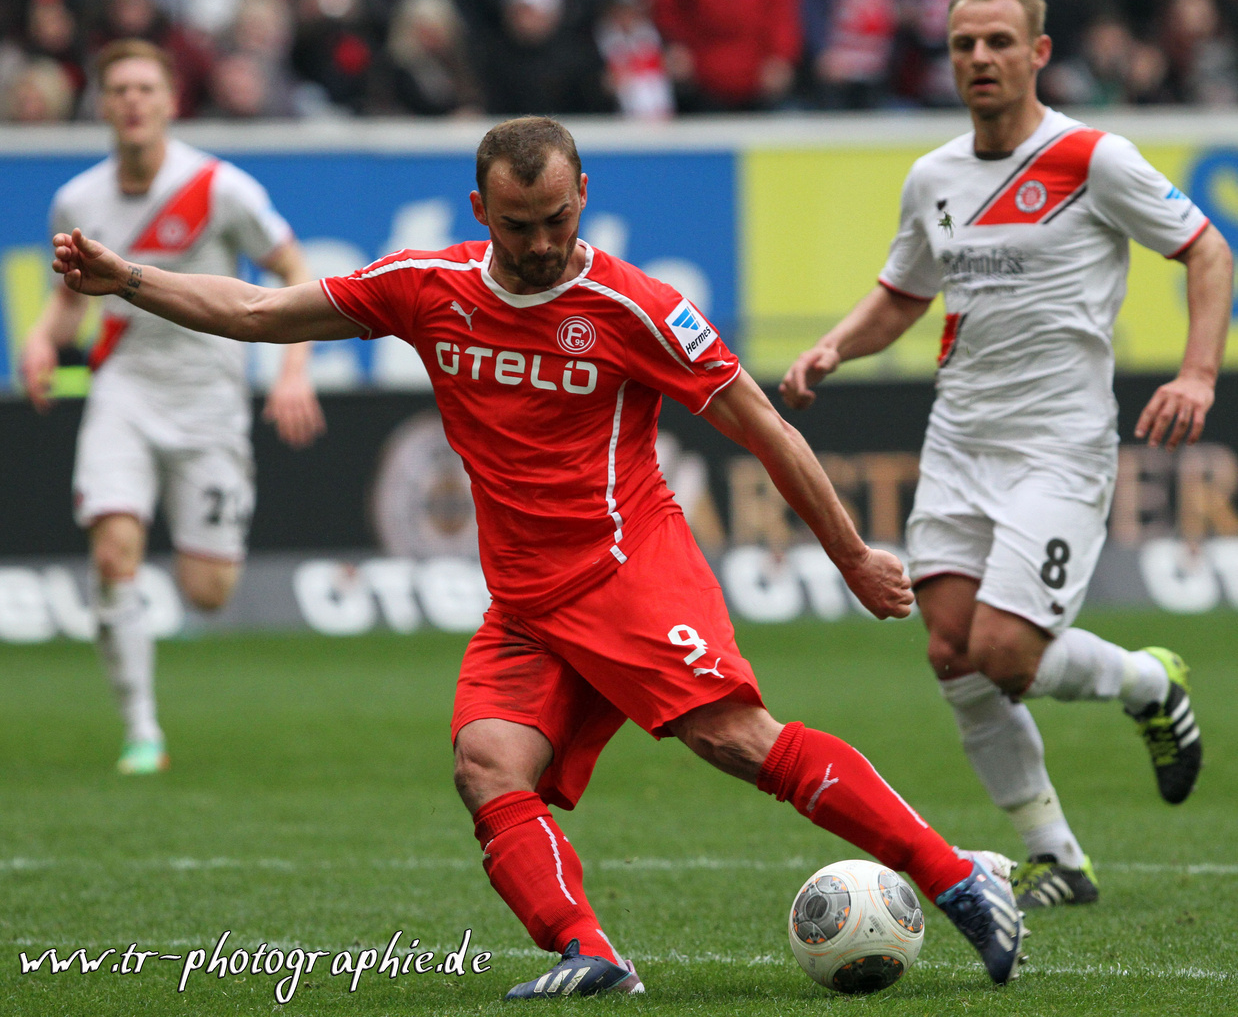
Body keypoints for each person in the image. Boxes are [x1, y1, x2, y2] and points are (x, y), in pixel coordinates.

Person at [50, 116, 1027, 995]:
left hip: (624, 568)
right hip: (525, 602)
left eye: (557, 217)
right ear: (482, 211)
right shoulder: (423, 288)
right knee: (486, 763)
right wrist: (128, 281)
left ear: (581, 198)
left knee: (730, 740)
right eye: (518, 225)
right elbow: (259, 311)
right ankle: (589, 954)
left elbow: (760, 426)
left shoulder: (631, 306)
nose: (541, 242)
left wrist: (849, 552)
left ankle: (955, 877)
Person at [781, 0, 1233, 912]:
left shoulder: (1090, 157)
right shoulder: (936, 177)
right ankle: (1057, 857)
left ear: (1038, 53)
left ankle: (1149, 681)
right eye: (962, 45)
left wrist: (1195, 372)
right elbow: (904, 293)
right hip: (959, 442)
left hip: (1060, 448)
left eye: (997, 42)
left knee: (1007, 654)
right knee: (951, 653)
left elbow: (1206, 250)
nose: (979, 59)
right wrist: (837, 343)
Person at [21, 39, 325, 776]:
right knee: (111, 550)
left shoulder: (222, 189)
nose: (131, 101)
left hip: (210, 400)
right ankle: (141, 731)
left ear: (169, 101)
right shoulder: (78, 200)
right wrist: (40, 341)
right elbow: (70, 301)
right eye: (118, 89)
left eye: (144, 89)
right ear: (102, 104)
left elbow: (294, 272)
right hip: (122, 389)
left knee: (209, 590)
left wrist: (293, 371)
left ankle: (184, 563)